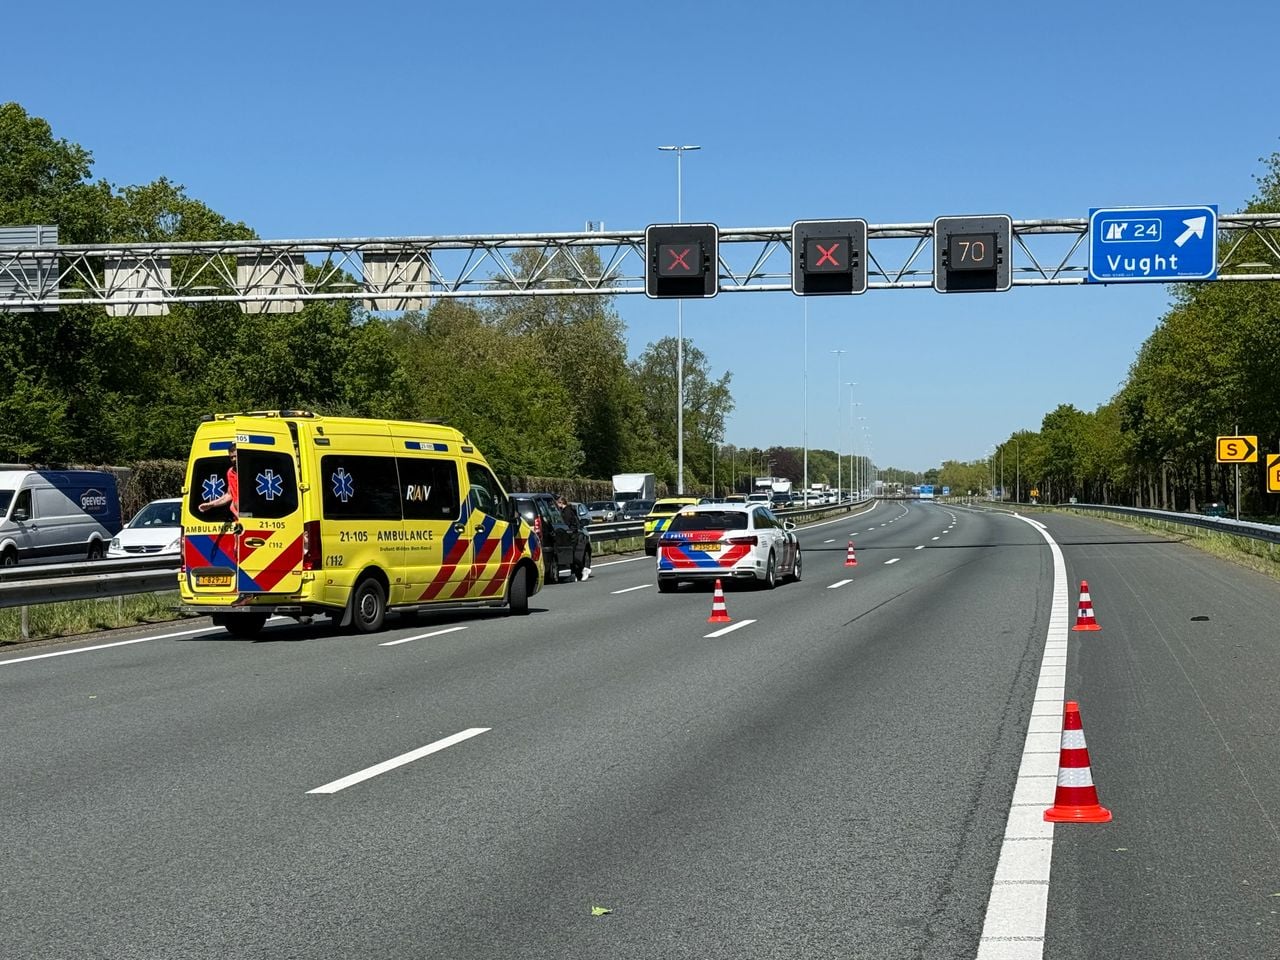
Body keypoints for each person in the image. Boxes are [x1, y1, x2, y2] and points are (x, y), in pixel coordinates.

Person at [198, 442, 239, 519]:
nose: (233, 459)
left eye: (236, 456)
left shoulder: (248, 471)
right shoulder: (230, 473)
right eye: (231, 457)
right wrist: (211, 504)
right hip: (238, 518)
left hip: (250, 517)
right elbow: (229, 495)